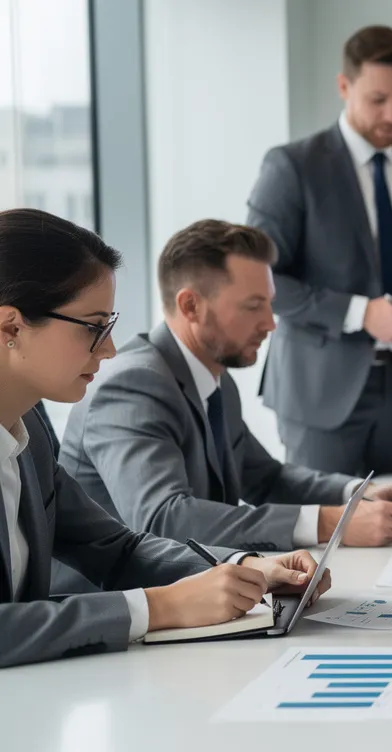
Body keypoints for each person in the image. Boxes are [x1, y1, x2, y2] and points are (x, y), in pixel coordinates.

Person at [0, 209, 329, 669]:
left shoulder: (29, 429)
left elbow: (115, 547)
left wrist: (244, 567)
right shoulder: (129, 383)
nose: (110, 349)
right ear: (11, 327)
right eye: (95, 327)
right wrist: (160, 607)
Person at [57, 221, 392, 594]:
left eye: (269, 303)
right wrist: (332, 523)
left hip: (202, 594)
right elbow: (164, 518)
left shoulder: (213, 378)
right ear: (191, 306)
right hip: (115, 610)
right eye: (254, 306)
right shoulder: (132, 383)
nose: (270, 323)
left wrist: (357, 493)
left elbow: (266, 478)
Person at [246, 25, 392, 475]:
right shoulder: (292, 167)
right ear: (344, 85)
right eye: (378, 100)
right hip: (321, 389)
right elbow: (261, 280)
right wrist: (360, 312)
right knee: (329, 531)